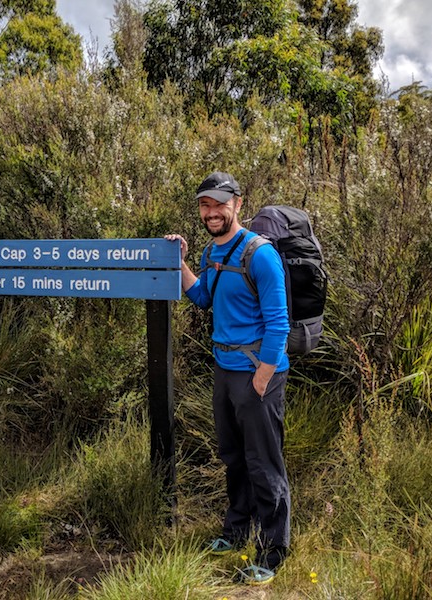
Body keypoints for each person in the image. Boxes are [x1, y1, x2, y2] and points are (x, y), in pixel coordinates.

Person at [165, 172, 290, 585]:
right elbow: (203, 297)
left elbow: (279, 323)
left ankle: (272, 551)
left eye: (219, 204)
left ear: (238, 204)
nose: (212, 212)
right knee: (233, 457)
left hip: (257, 374)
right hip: (224, 370)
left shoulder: (260, 254)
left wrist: (263, 378)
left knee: (263, 463)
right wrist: (181, 262)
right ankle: (236, 531)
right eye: (205, 205)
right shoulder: (211, 251)